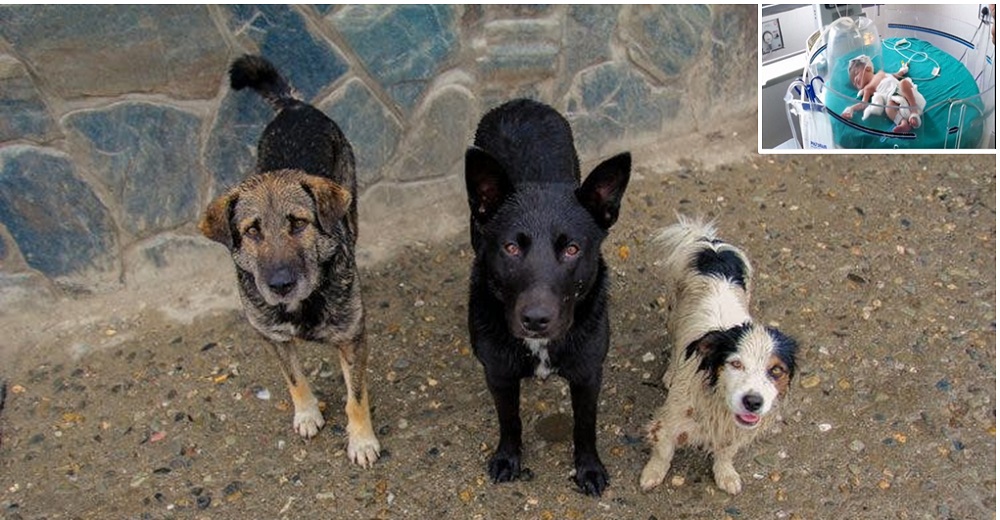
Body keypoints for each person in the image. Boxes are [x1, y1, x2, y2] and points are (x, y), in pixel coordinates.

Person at [840, 54, 925, 133]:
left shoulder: (881, 73)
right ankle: (903, 122)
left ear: (868, 68)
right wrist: (851, 109)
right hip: (891, 98)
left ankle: (914, 112)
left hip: (900, 89)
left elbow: (895, 75)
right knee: (888, 109)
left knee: (903, 83)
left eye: (856, 73)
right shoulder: (867, 88)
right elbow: (863, 104)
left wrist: (903, 70)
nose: (855, 80)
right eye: (853, 82)